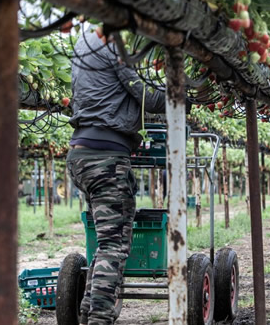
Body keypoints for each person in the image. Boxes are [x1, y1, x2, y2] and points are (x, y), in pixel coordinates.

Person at [66, 27, 166, 325]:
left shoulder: (86, 38)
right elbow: (148, 97)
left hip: (82, 153)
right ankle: (99, 318)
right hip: (105, 158)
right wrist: (181, 91)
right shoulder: (114, 41)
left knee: (107, 241)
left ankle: (89, 313)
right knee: (113, 246)